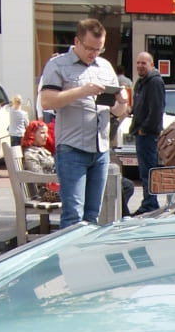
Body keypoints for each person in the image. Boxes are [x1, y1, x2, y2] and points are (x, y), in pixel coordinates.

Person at [38, 18, 129, 228]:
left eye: (99, 49)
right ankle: (67, 259)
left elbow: (116, 112)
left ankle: (85, 259)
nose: (93, 53)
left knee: (93, 216)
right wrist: (82, 90)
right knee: (73, 216)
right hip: (72, 149)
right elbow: (47, 101)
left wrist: (122, 102)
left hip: (101, 148)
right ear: (77, 42)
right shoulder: (57, 65)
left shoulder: (105, 67)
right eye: (89, 48)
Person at [130, 51, 166, 214]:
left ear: (152, 65)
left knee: (149, 170)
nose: (140, 66)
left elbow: (156, 109)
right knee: (144, 171)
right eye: (138, 63)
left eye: (143, 63)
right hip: (140, 133)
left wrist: (145, 129)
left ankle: (150, 204)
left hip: (148, 135)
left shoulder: (154, 82)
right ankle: (148, 201)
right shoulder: (141, 82)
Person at [20, 120, 60, 205]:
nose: (46, 136)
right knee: (77, 192)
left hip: (54, 187)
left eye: (46, 133)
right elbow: (39, 178)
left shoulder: (42, 150)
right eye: (42, 133)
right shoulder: (30, 154)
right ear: (32, 134)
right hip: (46, 192)